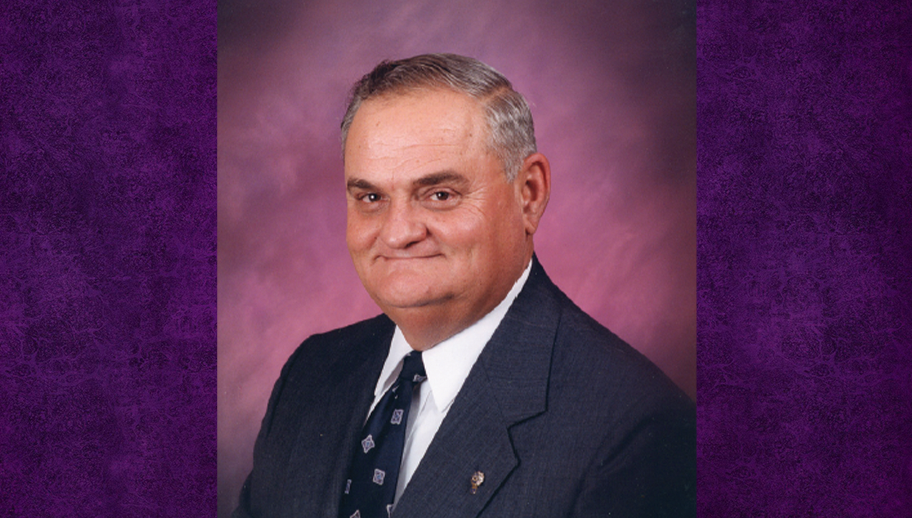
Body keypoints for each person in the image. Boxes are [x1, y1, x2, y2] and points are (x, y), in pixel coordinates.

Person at [233, 53, 695, 518]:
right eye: (371, 197)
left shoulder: (632, 428)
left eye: (440, 195)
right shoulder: (311, 374)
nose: (398, 233)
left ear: (529, 194)